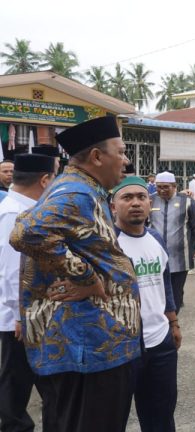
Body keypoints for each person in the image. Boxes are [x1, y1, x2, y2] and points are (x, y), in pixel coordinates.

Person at [10, 116, 141, 431]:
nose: (126, 161)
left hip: (93, 345)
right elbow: (25, 234)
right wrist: (85, 276)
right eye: (121, 152)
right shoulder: (76, 191)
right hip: (88, 348)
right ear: (97, 157)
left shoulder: (82, 188)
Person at [112, 176, 181, 432]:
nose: (135, 203)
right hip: (122, 346)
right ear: (113, 206)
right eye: (127, 198)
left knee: (161, 415)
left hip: (160, 342)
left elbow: (165, 285)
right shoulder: (107, 244)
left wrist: (173, 322)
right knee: (113, 416)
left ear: (149, 203)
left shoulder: (155, 238)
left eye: (141, 197)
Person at [0, 154, 55, 432]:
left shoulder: (16, 207)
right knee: (17, 386)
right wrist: (21, 315)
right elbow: (12, 271)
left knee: (18, 382)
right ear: (45, 180)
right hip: (21, 318)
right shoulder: (16, 213)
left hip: (22, 314)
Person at [149, 171, 195, 312]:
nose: (162, 190)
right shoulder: (149, 200)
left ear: (174, 186)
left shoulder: (187, 202)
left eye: (165, 187)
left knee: (176, 293)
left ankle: (173, 323)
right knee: (156, 293)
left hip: (180, 258)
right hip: (154, 258)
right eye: (159, 186)